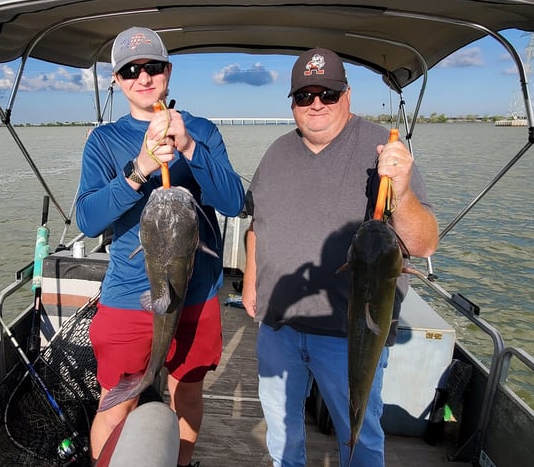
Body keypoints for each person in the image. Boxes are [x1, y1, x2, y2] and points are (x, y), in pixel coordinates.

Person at [241, 48, 439, 467]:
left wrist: (400, 192)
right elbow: (257, 223)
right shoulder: (276, 153)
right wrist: (249, 282)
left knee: (361, 435)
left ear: (347, 96)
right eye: (305, 96)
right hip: (279, 329)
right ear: (292, 103)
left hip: (352, 336)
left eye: (327, 94)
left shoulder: (384, 153)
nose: (316, 104)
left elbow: (423, 245)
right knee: (282, 436)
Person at [76, 27, 245, 466]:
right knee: (115, 404)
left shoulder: (203, 130)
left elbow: (232, 201)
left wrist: (189, 146)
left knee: (187, 391)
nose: (143, 76)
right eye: (131, 70)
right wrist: (139, 169)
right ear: (117, 80)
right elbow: (89, 219)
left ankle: (182, 461)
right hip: (129, 297)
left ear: (168, 71)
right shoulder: (104, 141)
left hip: (198, 293)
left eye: (152, 66)